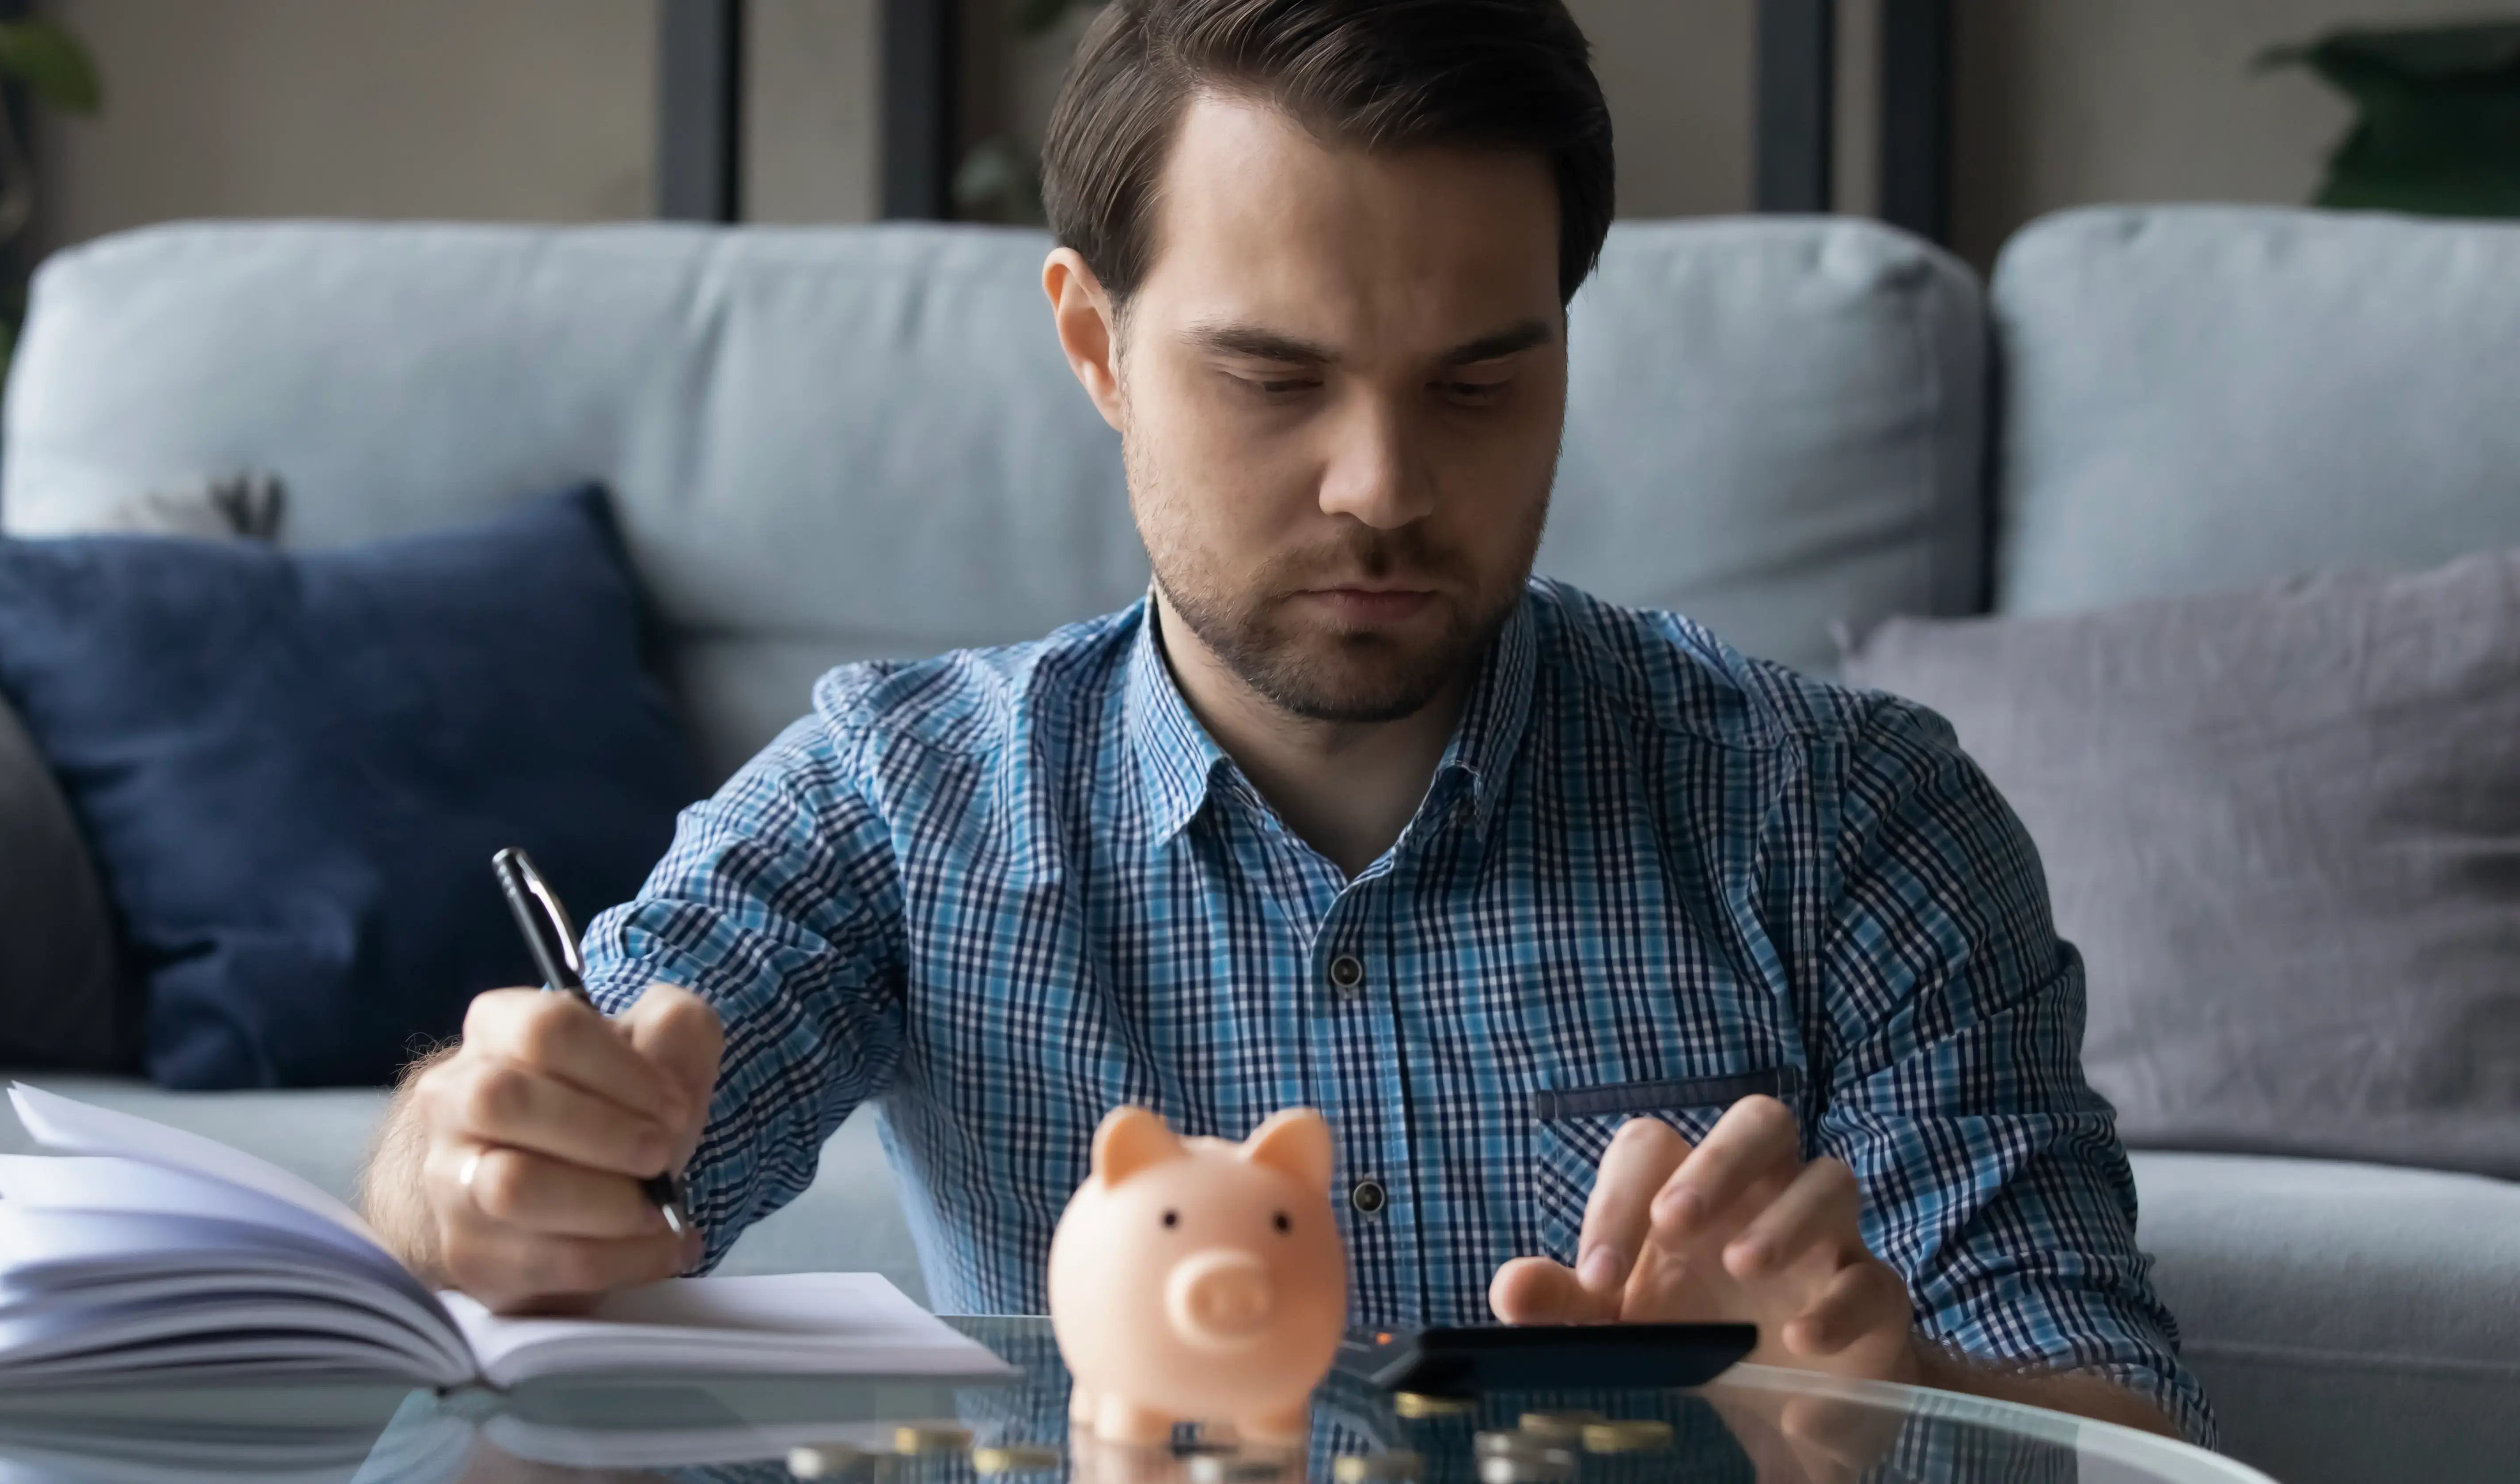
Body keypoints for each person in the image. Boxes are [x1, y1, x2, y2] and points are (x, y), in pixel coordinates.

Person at [361, 0, 2209, 1444]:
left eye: (1481, 383)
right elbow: (568, 1164)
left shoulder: (1847, 819)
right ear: (1094, 342)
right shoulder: (899, 804)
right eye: (1274, 378)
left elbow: (2126, 1426)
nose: (1382, 488)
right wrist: (471, 1154)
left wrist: (1865, 1418)